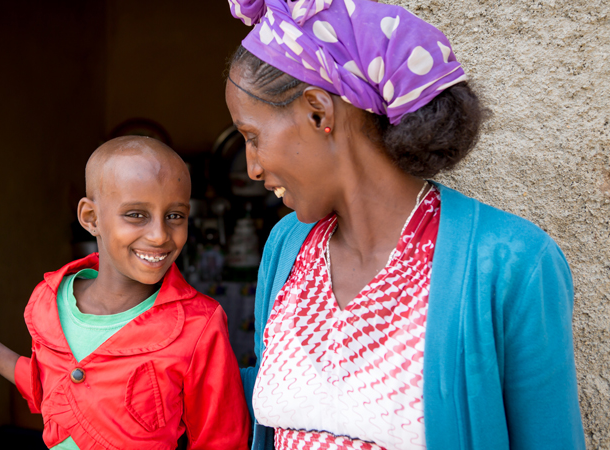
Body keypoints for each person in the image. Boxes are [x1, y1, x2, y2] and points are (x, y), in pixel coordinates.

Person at [224, 0, 585, 449]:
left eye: (252, 137)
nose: (252, 167)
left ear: (319, 113)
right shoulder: (287, 246)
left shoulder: (510, 262)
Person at [0, 136, 250, 449]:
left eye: (175, 216)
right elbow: (54, 389)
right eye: (136, 214)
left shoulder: (198, 325)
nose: (160, 235)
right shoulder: (49, 302)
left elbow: (222, 439)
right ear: (91, 218)